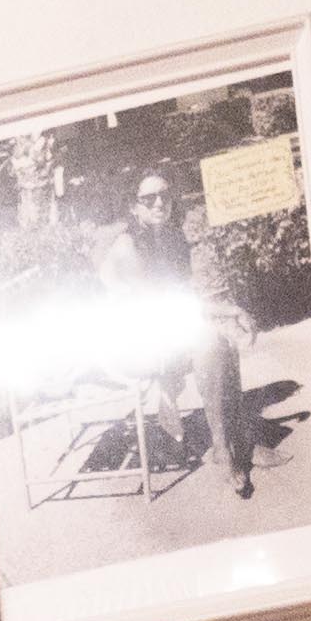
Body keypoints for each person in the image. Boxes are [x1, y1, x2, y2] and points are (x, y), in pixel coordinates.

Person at [105, 164, 259, 500]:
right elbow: (158, 308)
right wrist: (226, 312)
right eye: (148, 198)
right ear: (133, 206)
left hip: (160, 327)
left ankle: (228, 443)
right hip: (127, 342)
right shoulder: (127, 247)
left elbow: (180, 302)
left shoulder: (172, 238)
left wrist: (229, 311)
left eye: (164, 195)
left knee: (217, 342)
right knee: (209, 341)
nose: (159, 203)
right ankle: (225, 447)